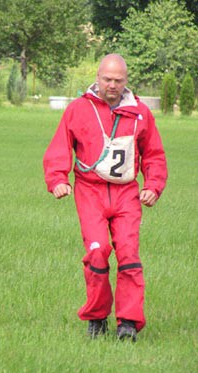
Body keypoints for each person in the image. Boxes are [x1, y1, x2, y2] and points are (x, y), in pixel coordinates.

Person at [43, 54, 167, 341]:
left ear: (126, 81)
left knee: (129, 255)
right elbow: (59, 147)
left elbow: (154, 154)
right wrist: (58, 179)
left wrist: (153, 185)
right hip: (90, 192)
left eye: (118, 80)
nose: (112, 85)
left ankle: (128, 323)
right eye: (107, 79)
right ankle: (97, 318)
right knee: (97, 253)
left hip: (126, 194)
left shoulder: (139, 113)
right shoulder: (78, 109)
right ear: (98, 77)